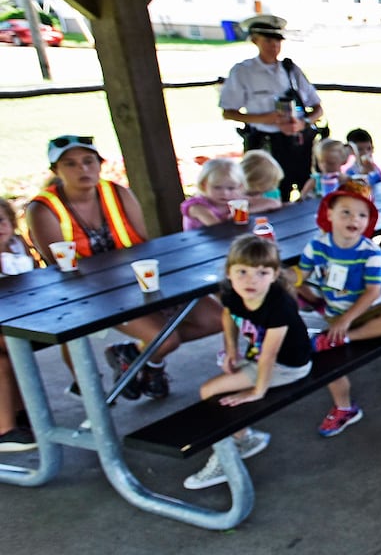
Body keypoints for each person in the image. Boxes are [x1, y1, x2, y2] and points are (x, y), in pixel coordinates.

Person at [27, 136, 222, 401]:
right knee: (166, 339)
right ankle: (144, 362)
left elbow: (141, 245)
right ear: (55, 171)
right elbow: (61, 268)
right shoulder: (43, 208)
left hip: (139, 279)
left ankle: (137, 357)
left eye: (88, 161)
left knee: (216, 319)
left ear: (99, 164)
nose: (82, 169)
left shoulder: (117, 192)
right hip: (94, 291)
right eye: (70, 164)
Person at [182, 234, 313, 490]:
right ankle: (243, 438)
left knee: (209, 391)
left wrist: (257, 390)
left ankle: (226, 458)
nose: (250, 280)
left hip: (288, 366)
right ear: (229, 273)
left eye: (261, 272)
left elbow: (270, 355)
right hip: (260, 356)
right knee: (222, 391)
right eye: (242, 271)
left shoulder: (280, 305)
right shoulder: (232, 294)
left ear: (275, 275)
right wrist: (231, 350)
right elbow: (229, 316)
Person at [294, 178, 381, 436]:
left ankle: (342, 339)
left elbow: (373, 291)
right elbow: (300, 276)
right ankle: (344, 408)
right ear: (329, 214)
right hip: (334, 311)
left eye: (362, 214)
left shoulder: (370, 251)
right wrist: (296, 286)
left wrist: (345, 324)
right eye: (346, 212)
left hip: (368, 311)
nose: (353, 219)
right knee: (328, 363)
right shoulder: (317, 245)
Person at [219, 14, 323, 200]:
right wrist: (263, 118)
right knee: (271, 195)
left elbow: (317, 108)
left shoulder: (290, 70)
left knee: (308, 193)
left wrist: (303, 123)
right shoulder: (243, 71)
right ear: (255, 40)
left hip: (298, 143)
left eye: (277, 40)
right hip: (265, 144)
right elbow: (228, 112)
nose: (274, 45)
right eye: (268, 40)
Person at [0, 198, 37, 451]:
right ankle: (5, 429)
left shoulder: (17, 246)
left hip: (16, 317)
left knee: (14, 349)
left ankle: (21, 412)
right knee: (4, 356)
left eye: (1, 221)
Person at [180, 158, 248, 230]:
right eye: (217, 187)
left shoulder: (236, 200)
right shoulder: (197, 207)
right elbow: (218, 228)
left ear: (240, 186)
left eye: (231, 188)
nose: (225, 193)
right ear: (204, 185)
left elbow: (259, 204)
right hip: (201, 240)